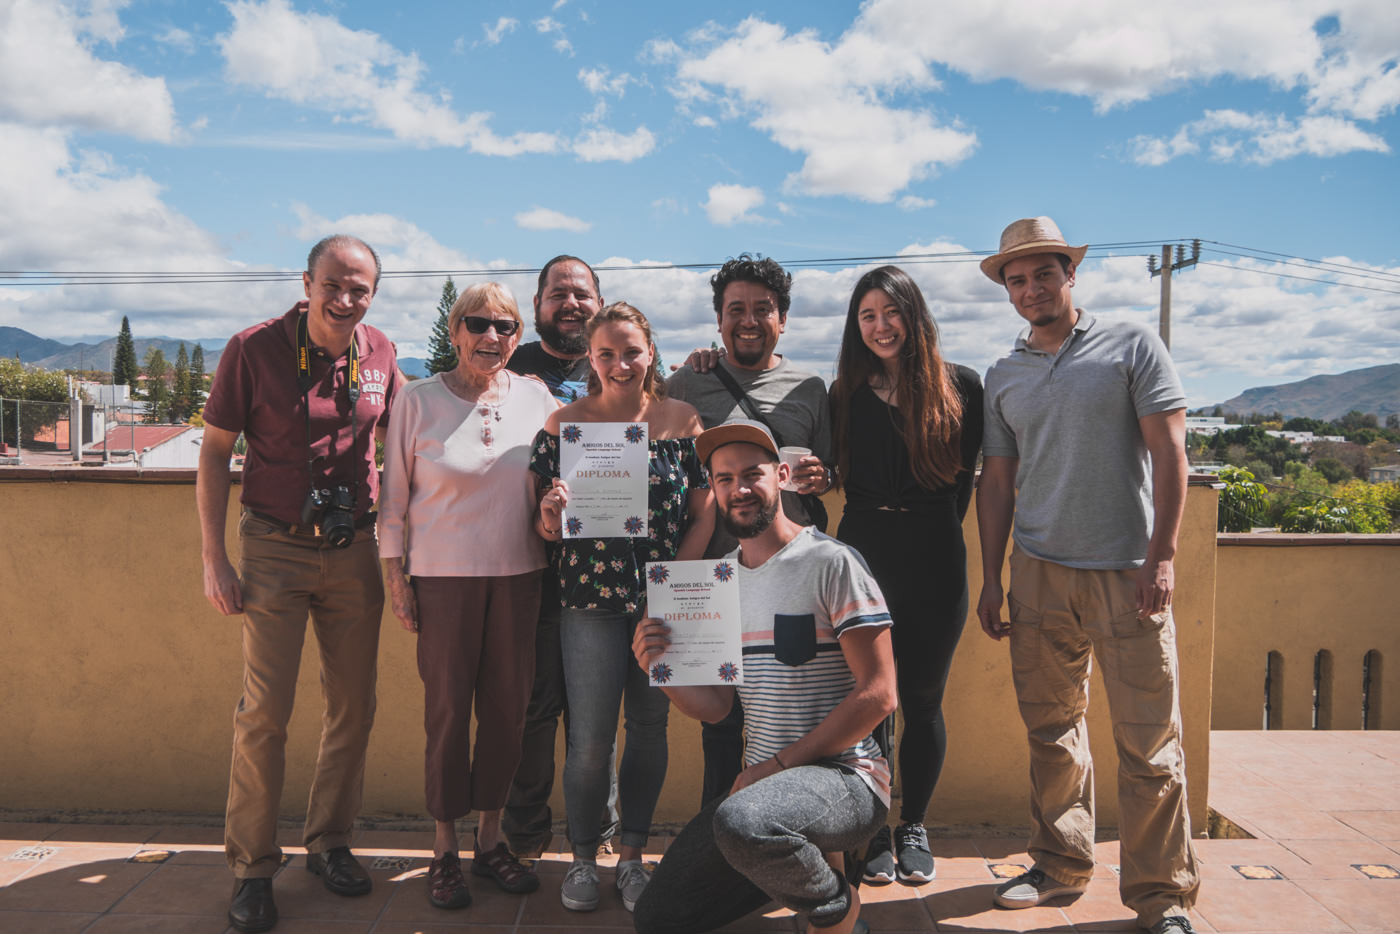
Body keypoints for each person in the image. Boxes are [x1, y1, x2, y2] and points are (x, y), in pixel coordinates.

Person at [975, 217, 1199, 934]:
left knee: (1150, 746)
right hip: (1037, 575)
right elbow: (999, 483)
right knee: (1051, 732)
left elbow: (1170, 455)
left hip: (1126, 574)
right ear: (1007, 291)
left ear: (1071, 274)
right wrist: (992, 577)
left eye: (1045, 272)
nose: (1033, 287)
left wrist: (1161, 555)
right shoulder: (1003, 374)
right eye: (1018, 278)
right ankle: (1061, 862)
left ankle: (1163, 897)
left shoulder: (1132, 344)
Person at [197, 235, 400, 934]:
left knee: (352, 706)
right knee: (265, 714)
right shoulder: (253, 349)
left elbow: (404, 445)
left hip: (355, 551)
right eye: (334, 285)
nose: (346, 300)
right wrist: (213, 559)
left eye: (360, 288)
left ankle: (331, 842)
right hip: (274, 546)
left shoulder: (381, 352)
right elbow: (215, 453)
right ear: (307, 283)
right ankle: (253, 869)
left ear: (374, 292)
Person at [631, 418, 897, 934]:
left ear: (781, 476)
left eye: (752, 474)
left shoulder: (831, 562)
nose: (739, 489)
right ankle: (802, 865)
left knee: (743, 821)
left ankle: (839, 911)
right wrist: (659, 670)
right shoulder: (720, 581)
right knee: (658, 916)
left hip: (846, 778)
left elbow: (880, 694)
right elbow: (719, 708)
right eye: (724, 479)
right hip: (760, 794)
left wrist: (776, 766)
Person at [378, 282, 558, 909]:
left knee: (508, 712)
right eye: (477, 324)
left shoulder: (537, 398)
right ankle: (444, 848)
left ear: (517, 336)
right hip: (443, 580)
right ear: (454, 331)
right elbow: (392, 501)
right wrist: (395, 580)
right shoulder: (418, 400)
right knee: (449, 712)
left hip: (519, 575)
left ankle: (490, 841)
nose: (491, 337)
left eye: (505, 327)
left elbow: (560, 474)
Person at [532, 302, 715, 913]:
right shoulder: (563, 426)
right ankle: (585, 858)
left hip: (658, 602)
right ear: (591, 356)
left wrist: (675, 579)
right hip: (586, 601)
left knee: (649, 729)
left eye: (631, 351)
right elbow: (546, 526)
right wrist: (553, 515)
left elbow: (705, 508)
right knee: (588, 741)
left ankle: (633, 857)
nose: (620, 364)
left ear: (651, 353)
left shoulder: (683, 420)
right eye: (606, 353)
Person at [829, 265, 983, 885]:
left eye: (890, 313)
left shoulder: (962, 388)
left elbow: (967, 483)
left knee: (921, 700)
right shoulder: (845, 393)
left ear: (913, 316)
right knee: (869, 703)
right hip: (861, 555)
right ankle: (869, 831)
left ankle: (912, 823)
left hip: (934, 554)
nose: (880, 326)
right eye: (867, 316)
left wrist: (930, 529)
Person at [666, 253, 834, 805]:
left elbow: (830, 471)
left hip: (790, 582)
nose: (749, 320)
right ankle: (720, 843)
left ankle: (788, 830)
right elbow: (643, 429)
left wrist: (821, 475)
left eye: (763, 309)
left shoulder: (810, 387)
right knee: (720, 723)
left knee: (791, 714)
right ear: (718, 320)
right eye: (735, 309)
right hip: (712, 579)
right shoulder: (689, 382)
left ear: (782, 319)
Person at [501, 254, 620, 859]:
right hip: (529, 568)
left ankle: (596, 833)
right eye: (557, 293)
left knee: (594, 712)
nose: (570, 303)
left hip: (606, 573)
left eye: (582, 293)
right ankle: (523, 835)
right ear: (538, 303)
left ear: (600, 303)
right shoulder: (508, 368)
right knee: (535, 704)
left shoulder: (621, 373)